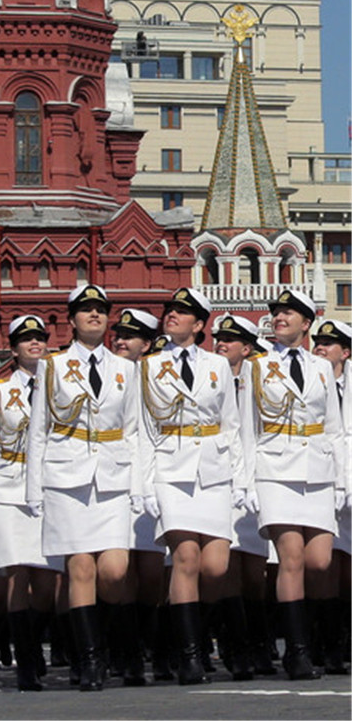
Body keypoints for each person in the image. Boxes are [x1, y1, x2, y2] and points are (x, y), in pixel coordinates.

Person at [26, 284, 140, 692]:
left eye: (100, 310)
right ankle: (89, 660)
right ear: (71, 319)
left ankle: (108, 646)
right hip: (66, 475)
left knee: (113, 570)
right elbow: (38, 430)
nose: (94, 315)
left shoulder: (126, 369)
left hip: (112, 475)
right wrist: (33, 489)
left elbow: (134, 430)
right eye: (85, 310)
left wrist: (138, 485)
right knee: (80, 568)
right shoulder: (52, 366)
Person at [137, 286, 243, 685]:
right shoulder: (147, 366)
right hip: (170, 468)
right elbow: (142, 429)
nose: (172, 317)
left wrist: (240, 477)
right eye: (170, 312)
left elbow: (231, 423)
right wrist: (145, 485)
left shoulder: (217, 365)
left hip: (214, 470)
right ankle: (191, 656)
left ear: (199, 325)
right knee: (185, 559)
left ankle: (181, 636)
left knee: (215, 566)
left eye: (183, 313)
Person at [239, 289, 345, 679]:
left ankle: (323, 643)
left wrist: (340, 479)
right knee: (292, 558)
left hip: (317, 470)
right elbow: (247, 428)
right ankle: (297, 652)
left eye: (289, 313)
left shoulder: (320, 368)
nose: (280, 318)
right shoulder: (257, 367)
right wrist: (247, 481)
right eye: (277, 313)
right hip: (275, 469)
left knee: (320, 561)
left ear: (306, 323)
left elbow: (334, 428)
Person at [0, 313, 57, 692]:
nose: (35, 344)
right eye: (26, 340)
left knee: (45, 582)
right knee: (17, 577)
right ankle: (26, 662)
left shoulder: (61, 382)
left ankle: (34, 648)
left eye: (39, 337)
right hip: (7, 491)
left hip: (48, 489)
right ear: (14, 349)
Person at [109, 306, 168, 684]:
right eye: (118, 335)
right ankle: (123, 651)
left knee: (152, 571)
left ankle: (158, 645)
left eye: (129, 337)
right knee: (117, 571)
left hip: (151, 480)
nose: (120, 341)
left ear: (146, 345)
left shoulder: (157, 377)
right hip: (112, 481)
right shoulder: (103, 375)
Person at [212, 312, 269, 679]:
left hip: (257, 480)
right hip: (219, 480)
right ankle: (235, 649)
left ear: (247, 348)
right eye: (218, 339)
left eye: (230, 340)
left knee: (256, 573)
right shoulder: (209, 378)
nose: (221, 344)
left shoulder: (259, 379)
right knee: (225, 568)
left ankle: (261, 645)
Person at [311, 316, 351, 673]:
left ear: (346, 352)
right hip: (321, 478)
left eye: (329, 344)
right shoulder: (308, 380)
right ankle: (328, 642)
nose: (320, 348)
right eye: (317, 343)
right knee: (325, 564)